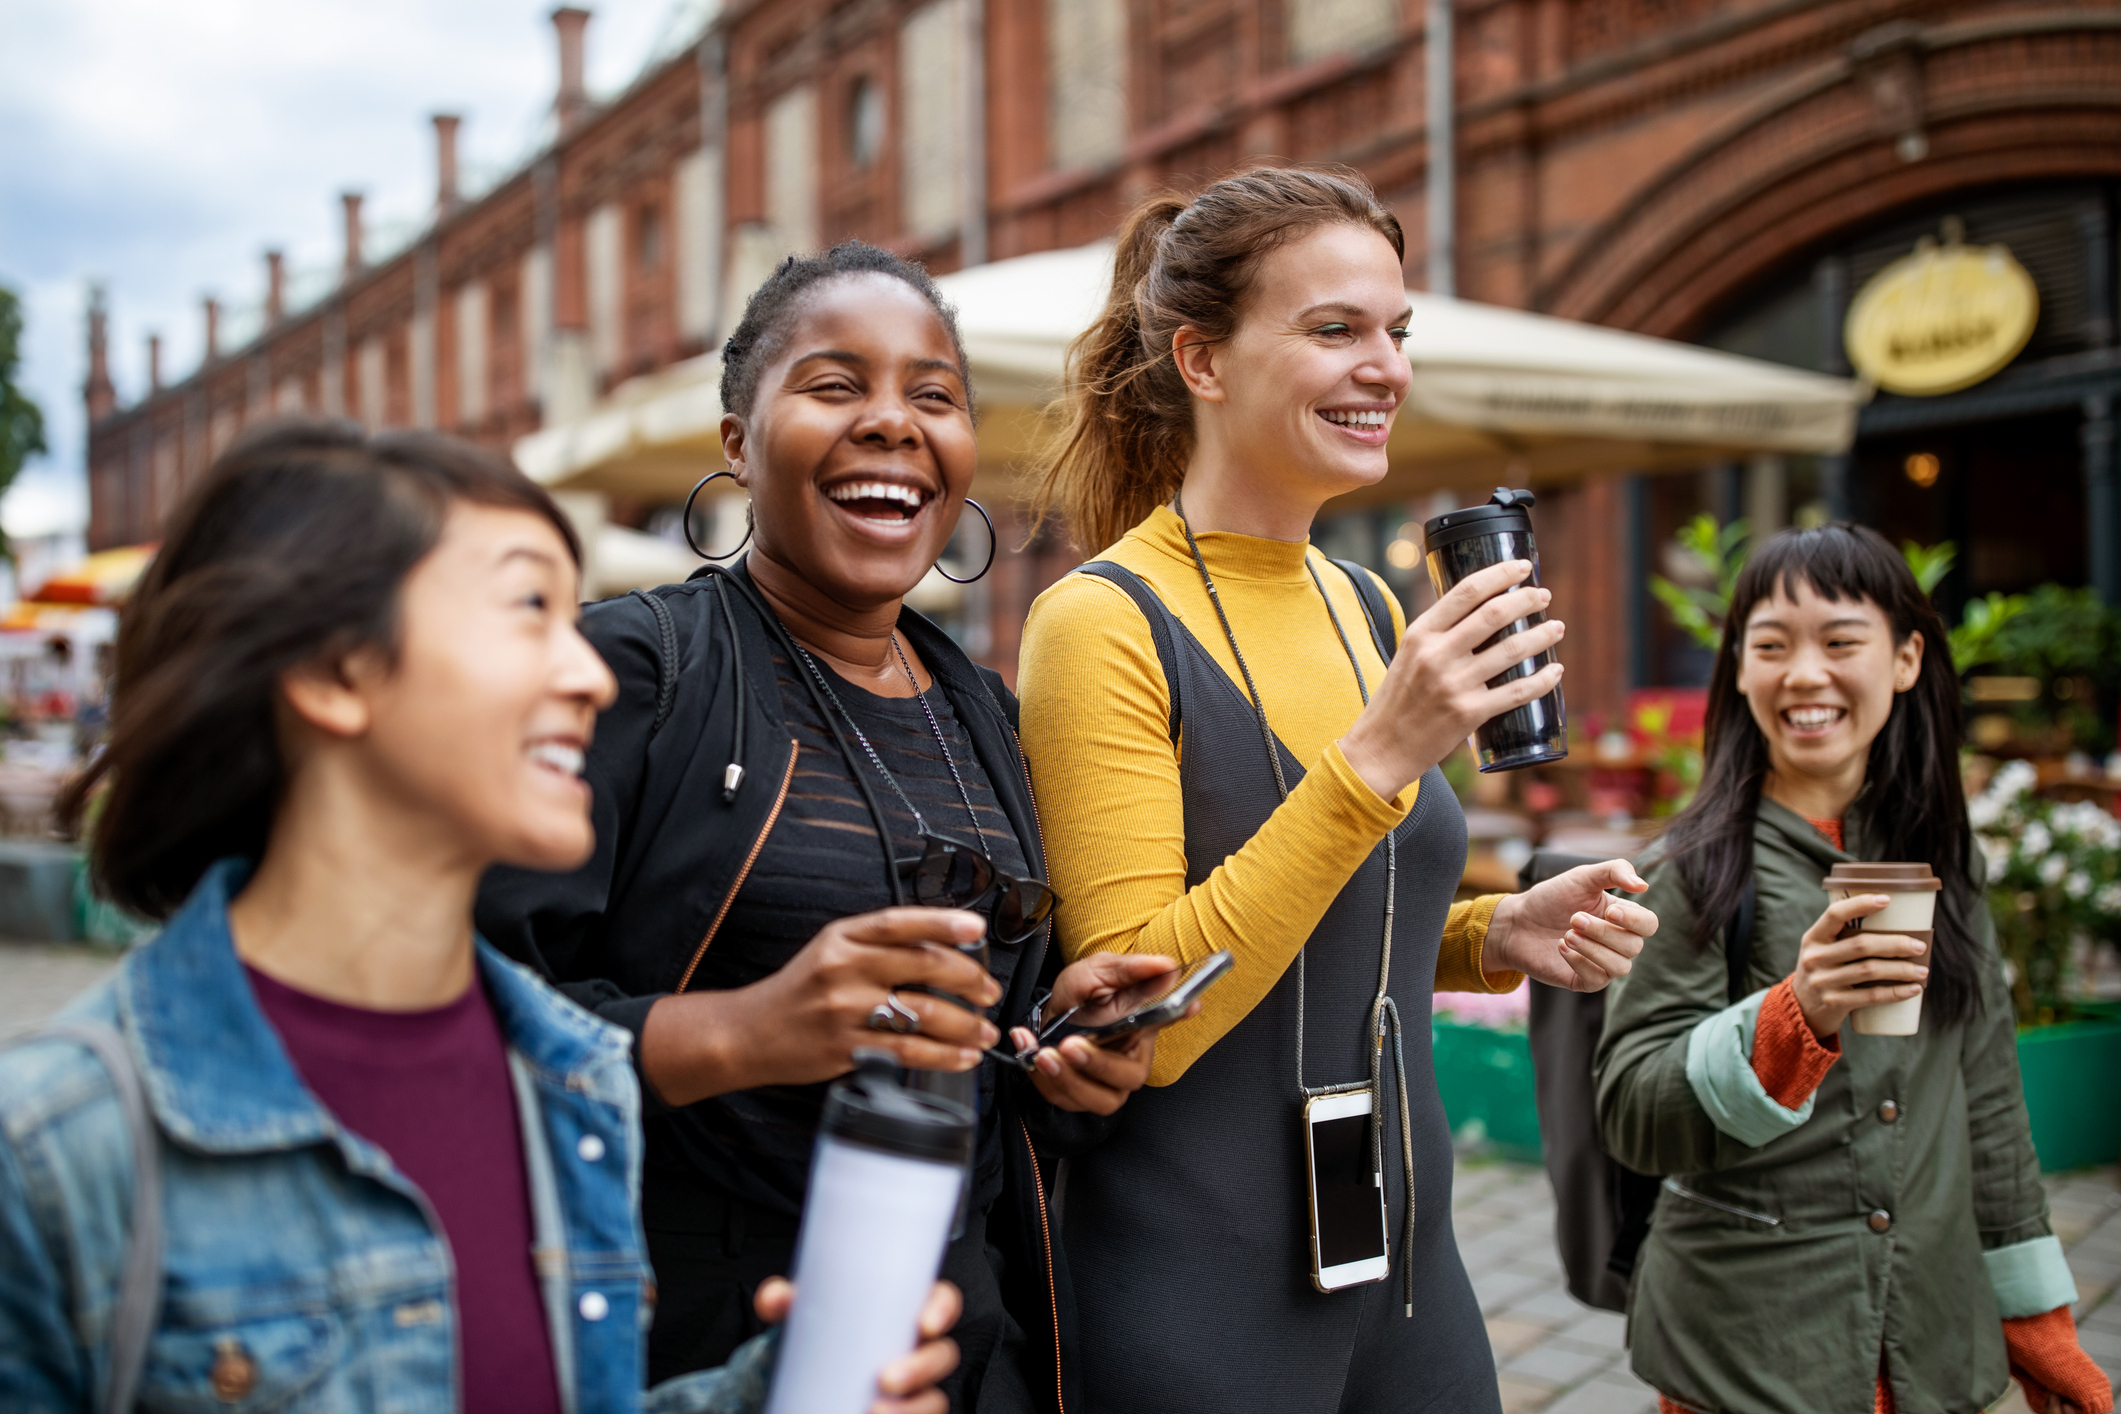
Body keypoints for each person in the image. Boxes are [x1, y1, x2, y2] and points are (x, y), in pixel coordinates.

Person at [0, 422, 959, 1414]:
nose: (588, 670)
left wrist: (770, 1395)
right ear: (335, 673)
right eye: (529, 609)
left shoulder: (571, 1082)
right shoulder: (53, 1145)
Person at [476, 241, 1173, 1413]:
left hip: (964, 1345)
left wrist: (1061, 1061)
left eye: (933, 395)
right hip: (701, 1347)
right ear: (740, 444)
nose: (893, 423)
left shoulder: (984, 713)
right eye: (836, 386)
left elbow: (984, 1058)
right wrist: (745, 1031)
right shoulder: (634, 671)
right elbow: (468, 1015)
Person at [1014, 164, 1659, 1414]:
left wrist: (1488, 933)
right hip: (1200, 1293)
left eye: (1396, 331)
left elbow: (1340, 920)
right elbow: (1147, 1015)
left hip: (1411, 1268)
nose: (1387, 368)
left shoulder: (1363, 601)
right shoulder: (1099, 622)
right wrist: (1375, 760)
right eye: (1334, 331)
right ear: (1201, 361)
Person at [1595, 524, 2113, 1414]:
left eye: (1840, 641)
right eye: (1770, 646)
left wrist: (2038, 1320)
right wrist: (1793, 1014)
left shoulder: (1944, 853)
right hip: (1746, 1352)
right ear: (1740, 670)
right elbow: (1631, 1112)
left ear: (1906, 659)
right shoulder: (1689, 869)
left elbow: (1985, 1095)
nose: (1804, 674)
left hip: (1929, 1336)